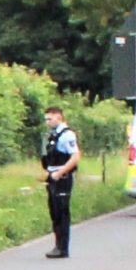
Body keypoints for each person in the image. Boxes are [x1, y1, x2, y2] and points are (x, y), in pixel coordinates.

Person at [41, 106, 81, 258]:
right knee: (54, 212)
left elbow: (75, 157)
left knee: (62, 212)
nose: (47, 122)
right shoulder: (53, 135)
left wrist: (60, 173)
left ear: (58, 117)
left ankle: (63, 248)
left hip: (62, 178)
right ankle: (57, 245)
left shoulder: (67, 135)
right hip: (53, 176)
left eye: (49, 119)